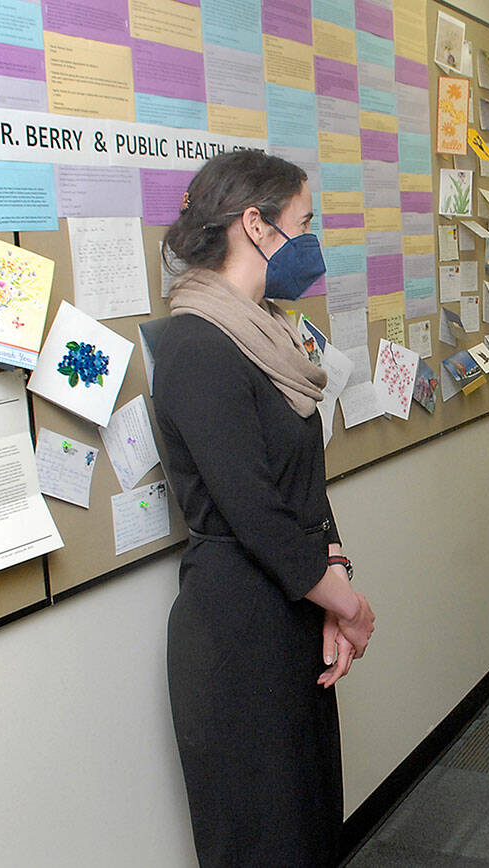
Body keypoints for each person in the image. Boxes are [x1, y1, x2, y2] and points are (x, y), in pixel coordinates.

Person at [153, 150, 376, 866]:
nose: (311, 244)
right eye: (303, 223)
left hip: (291, 612)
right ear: (255, 224)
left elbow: (300, 484)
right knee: (262, 842)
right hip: (237, 634)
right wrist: (346, 604)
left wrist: (333, 568)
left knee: (310, 831)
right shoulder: (194, 345)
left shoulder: (268, 332)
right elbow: (253, 510)